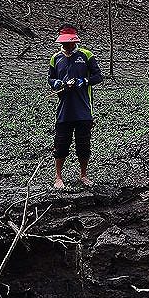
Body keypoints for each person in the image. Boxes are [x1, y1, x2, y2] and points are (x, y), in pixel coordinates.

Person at [48, 25, 103, 188]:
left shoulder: (86, 55)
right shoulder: (55, 58)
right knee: (61, 144)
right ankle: (58, 177)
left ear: (75, 41)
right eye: (65, 43)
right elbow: (50, 79)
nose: (67, 46)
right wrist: (57, 83)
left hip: (83, 110)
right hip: (64, 111)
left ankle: (83, 175)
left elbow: (98, 76)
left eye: (70, 43)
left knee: (83, 144)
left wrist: (83, 81)